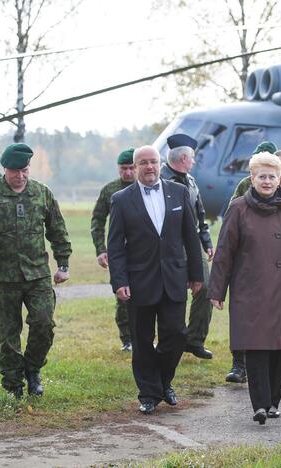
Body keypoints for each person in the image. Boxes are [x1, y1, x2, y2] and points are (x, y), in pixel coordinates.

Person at [209, 151, 281, 425]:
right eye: (261, 176)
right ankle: (260, 405)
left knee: (279, 348)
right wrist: (217, 291)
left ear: (280, 179)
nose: (267, 181)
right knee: (256, 347)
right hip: (250, 290)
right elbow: (225, 251)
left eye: (272, 176)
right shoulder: (238, 208)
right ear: (252, 178)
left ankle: (273, 401)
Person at [0, 143, 72, 398]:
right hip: (2, 277)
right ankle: (14, 384)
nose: (20, 176)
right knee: (8, 334)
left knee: (44, 324)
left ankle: (33, 369)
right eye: (14, 171)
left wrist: (63, 263)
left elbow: (57, 229)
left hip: (37, 274)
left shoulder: (41, 192)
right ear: (4, 169)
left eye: (24, 170)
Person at [107, 145, 204, 414]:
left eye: (153, 162)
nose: (149, 167)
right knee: (141, 339)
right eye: (143, 163)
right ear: (135, 167)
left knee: (176, 335)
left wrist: (196, 275)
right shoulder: (121, 199)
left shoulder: (179, 192)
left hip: (174, 278)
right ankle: (148, 393)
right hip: (139, 281)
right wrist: (120, 281)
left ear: (159, 164)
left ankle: (163, 382)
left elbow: (190, 237)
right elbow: (115, 246)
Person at [225, 141, 281, 385]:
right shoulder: (244, 190)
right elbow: (232, 226)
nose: (270, 179)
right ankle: (241, 366)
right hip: (253, 269)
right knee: (249, 324)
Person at [160, 133, 215, 360]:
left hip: (192, 246)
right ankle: (171, 341)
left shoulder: (191, 180)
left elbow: (200, 214)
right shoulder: (160, 180)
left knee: (207, 289)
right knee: (170, 295)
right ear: (183, 158)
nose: (193, 162)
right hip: (168, 247)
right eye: (192, 158)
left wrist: (207, 242)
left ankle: (194, 340)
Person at [90, 148, 136, 351]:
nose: (127, 173)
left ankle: (145, 335)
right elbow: (97, 220)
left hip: (146, 250)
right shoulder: (111, 190)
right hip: (120, 251)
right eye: (123, 169)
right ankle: (127, 338)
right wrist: (101, 249)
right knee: (123, 294)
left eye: (131, 168)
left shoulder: (147, 187)